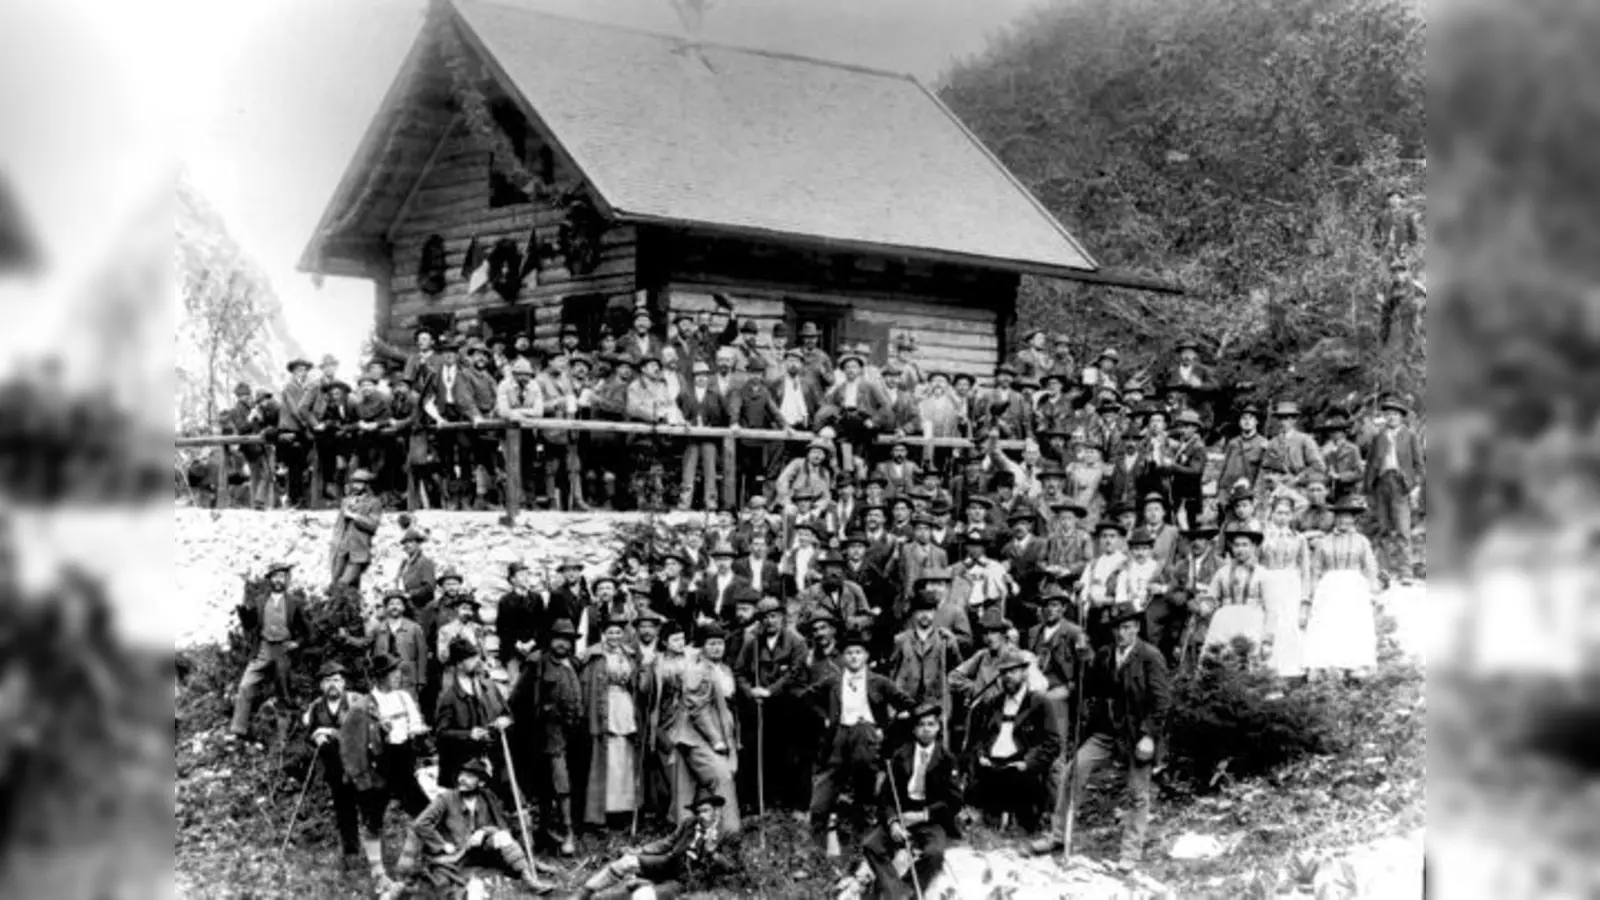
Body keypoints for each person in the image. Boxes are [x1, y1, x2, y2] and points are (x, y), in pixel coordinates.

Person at [1032, 603, 1171, 871]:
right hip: (1108, 731)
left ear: (1137, 628)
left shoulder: (1150, 656)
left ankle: (1130, 853)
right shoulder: (1107, 655)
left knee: (1137, 793)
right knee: (1074, 770)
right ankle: (1058, 835)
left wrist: (1149, 736)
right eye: (1118, 628)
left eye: (1128, 627)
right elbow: (1091, 684)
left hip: (1137, 734)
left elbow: (1162, 702)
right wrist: (1084, 656)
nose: (1122, 633)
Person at [796, 628, 916, 852]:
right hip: (839, 735)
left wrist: (885, 729)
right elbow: (806, 697)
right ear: (842, 656)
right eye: (849, 653)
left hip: (867, 736)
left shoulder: (879, 682)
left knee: (866, 785)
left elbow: (907, 705)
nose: (853, 657)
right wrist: (824, 719)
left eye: (858, 652)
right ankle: (817, 842)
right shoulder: (833, 681)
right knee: (826, 787)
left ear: (866, 656)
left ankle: (863, 839)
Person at [841, 702, 962, 900]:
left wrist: (923, 815)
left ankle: (910, 889)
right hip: (901, 810)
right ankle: (897, 893)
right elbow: (887, 796)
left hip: (930, 816)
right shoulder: (900, 756)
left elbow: (954, 801)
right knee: (871, 846)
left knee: (935, 854)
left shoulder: (947, 760)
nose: (926, 729)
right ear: (914, 730)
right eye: (921, 725)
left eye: (931, 724)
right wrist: (893, 822)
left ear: (938, 727)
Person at [390, 758, 554, 899]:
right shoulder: (446, 798)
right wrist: (442, 844)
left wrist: (484, 832)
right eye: (461, 775)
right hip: (455, 856)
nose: (462, 779)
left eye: (469, 776)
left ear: (480, 782)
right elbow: (420, 824)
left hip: (482, 851)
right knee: (440, 887)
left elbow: (502, 828)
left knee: (502, 837)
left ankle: (530, 881)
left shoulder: (487, 797)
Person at [569, 785, 740, 900]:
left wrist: (714, 854)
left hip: (688, 880)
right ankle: (583, 893)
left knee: (642, 896)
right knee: (627, 862)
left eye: (706, 811)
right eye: (698, 811)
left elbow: (733, 867)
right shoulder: (690, 824)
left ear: (716, 811)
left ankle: (644, 885)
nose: (701, 815)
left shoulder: (728, 833)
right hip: (670, 864)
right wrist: (640, 850)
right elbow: (668, 843)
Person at [508, 617, 585, 856]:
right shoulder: (537, 663)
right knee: (555, 783)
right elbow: (516, 699)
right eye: (559, 639)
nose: (563, 644)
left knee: (570, 782)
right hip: (547, 734)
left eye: (568, 640)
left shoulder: (574, 663)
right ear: (551, 639)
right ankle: (564, 832)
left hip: (573, 733)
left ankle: (558, 829)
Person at [964, 651, 1059, 832]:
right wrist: (982, 754)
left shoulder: (1039, 702)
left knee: (1022, 784)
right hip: (992, 766)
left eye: (1013, 671)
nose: (1007, 676)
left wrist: (1028, 762)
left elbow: (1052, 742)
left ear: (1024, 673)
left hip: (1020, 766)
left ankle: (1023, 818)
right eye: (1004, 672)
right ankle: (986, 815)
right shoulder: (993, 703)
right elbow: (980, 738)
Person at [734, 596, 809, 812]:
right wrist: (751, 691)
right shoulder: (753, 643)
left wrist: (770, 691)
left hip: (787, 706)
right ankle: (759, 800)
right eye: (765, 617)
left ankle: (788, 801)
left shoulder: (796, 642)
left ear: (783, 618)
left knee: (787, 753)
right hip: (758, 706)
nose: (770, 621)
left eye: (774, 616)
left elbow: (794, 674)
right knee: (757, 751)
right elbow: (739, 671)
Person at [228, 561, 310, 744]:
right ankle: (238, 730)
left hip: (283, 650)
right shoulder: (259, 601)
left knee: (283, 692)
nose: (279, 580)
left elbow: (307, 631)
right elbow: (250, 625)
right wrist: (242, 612)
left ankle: (282, 739)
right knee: (245, 685)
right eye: (275, 576)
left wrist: (297, 643)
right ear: (269, 580)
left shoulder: (294, 603)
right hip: (264, 649)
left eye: (282, 576)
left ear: (286, 579)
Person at [671, 623, 742, 832]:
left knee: (719, 778)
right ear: (702, 647)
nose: (716, 648)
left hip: (722, 730)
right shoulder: (697, 670)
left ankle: (709, 830)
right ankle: (729, 831)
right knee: (721, 776)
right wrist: (716, 740)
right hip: (696, 735)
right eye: (711, 644)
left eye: (720, 644)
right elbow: (698, 710)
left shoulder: (725, 670)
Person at [1302, 498, 1382, 677]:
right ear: (1334, 518)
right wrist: (1314, 591)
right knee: (1329, 623)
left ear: (1353, 519)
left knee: (1351, 624)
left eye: (1347, 517)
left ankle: (1354, 666)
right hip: (1329, 585)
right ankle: (1329, 666)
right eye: (1339, 516)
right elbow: (1316, 569)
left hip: (1353, 586)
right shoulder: (1324, 541)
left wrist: (1372, 589)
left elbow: (1370, 567)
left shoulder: (1361, 541)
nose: (1343, 521)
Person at [300, 661, 365, 871]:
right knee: (344, 809)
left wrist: (328, 732)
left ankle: (377, 855)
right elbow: (308, 734)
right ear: (321, 685)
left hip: (361, 765)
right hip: (335, 770)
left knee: (368, 807)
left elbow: (359, 731)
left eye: (336, 680)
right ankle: (352, 853)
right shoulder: (316, 707)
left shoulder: (356, 701)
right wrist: (315, 737)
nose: (332, 685)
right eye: (327, 681)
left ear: (344, 682)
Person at [581, 617, 641, 828]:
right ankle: (602, 812)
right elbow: (588, 686)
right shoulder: (595, 655)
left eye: (618, 632)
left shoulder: (629, 654)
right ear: (603, 634)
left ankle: (623, 811)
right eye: (611, 632)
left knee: (625, 759)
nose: (615, 636)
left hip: (624, 704)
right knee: (608, 760)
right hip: (604, 705)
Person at [433, 637, 510, 790]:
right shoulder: (448, 697)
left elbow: (507, 713)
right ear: (459, 664)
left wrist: (504, 720)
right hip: (464, 766)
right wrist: (469, 734)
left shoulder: (488, 686)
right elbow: (441, 734)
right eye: (471, 658)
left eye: (476, 656)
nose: (477, 661)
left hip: (493, 760)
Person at [1363, 395, 1423, 582]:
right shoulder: (1378, 437)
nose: (1391, 417)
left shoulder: (1409, 436)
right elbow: (1370, 464)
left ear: (1401, 417)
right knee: (1383, 528)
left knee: (1403, 528)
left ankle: (1406, 572)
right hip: (1381, 483)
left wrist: (1416, 487)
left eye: (1395, 414)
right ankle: (1384, 570)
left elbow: (1419, 464)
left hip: (1401, 484)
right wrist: (1368, 489)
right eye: (1388, 414)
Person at [1259, 496, 1312, 678]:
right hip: (1269, 581)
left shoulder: (1299, 539)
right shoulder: (1262, 536)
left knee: (1288, 624)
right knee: (1270, 622)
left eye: (1287, 513)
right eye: (1279, 513)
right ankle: (1267, 669)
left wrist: (1305, 599)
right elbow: (1256, 564)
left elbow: (1306, 571)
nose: (1282, 517)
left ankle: (1290, 671)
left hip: (1291, 584)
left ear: (1292, 516)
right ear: (1271, 514)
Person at [1201, 530, 1269, 658]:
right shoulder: (1222, 572)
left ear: (1253, 547)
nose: (1240, 549)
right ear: (1231, 547)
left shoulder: (1262, 574)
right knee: (1220, 657)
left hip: (1252, 620)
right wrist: (1204, 605)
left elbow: (1271, 609)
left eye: (1245, 545)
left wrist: (1268, 639)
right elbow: (1212, 597)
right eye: (1236, 545)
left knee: (1249, 658)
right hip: (1225, 621)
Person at [328, 468, 382, 600]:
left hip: (359, 552)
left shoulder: (374, 502)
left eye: (360, 483)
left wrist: (355, 516)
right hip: (342, 549)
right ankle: (349, 614)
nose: (356, 486)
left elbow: (373, 525)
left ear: (366, 485)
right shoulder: (346, 501)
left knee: (342, 585)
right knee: (338, 584)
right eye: (354, 482)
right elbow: (338, 525)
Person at [372, 590, 430, 701]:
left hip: (407, 678)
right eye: (391, 604)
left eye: (398, 604)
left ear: (403, 607)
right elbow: (369, 651)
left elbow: (422, 655)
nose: (395, 607)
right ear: (386, 607)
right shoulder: (378, 629)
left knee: (408, 707)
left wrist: (421, 679)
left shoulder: (414, 628)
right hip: (384, 678)